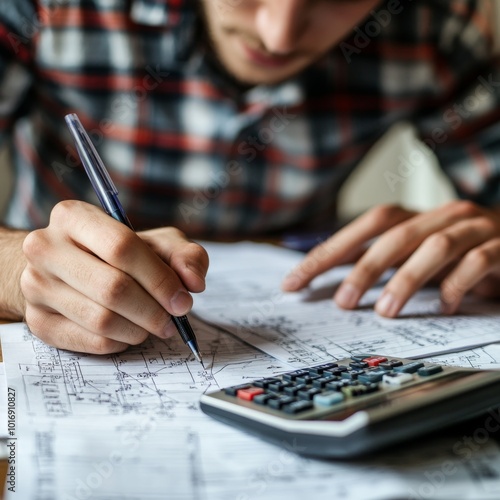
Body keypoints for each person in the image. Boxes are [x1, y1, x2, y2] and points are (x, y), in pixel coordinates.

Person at [0, 0, 499, 354]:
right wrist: (17, 273)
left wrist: (489, 242)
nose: (279, 35)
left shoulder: (438, 21)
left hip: (300, 302)